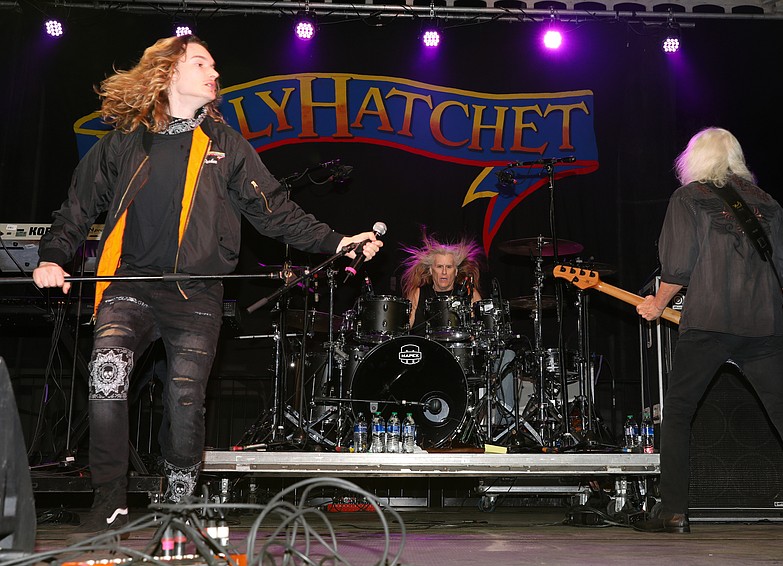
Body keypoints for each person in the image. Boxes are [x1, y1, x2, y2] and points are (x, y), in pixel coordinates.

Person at [33, 35, 382, 538]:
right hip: (128, 285)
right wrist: (51, 257)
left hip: (196, 295)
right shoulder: (126, 140)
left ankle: (179, 505)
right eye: (201, 62)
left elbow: (275, 213)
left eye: (215, 64)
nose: (213, 72)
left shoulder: (226, 145)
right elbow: (77, 207)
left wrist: (338, 240)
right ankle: (109, 502)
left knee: (184, 398)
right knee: (106, 377)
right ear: (169, 72)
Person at [635, 127, 783, 539]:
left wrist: (656, 305)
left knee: (678, 413)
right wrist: (771, 311)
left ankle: (673, 512)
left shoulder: (688, 197)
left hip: (709, 322)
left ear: (694, 160)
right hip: (763, 329)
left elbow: (677, 264)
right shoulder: (768, 202)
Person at [400, 233, 484, 335]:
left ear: (456, 271)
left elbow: (481, 331)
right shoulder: (417, 294)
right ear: (431, 270)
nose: (444, 272)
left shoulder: (470, 293)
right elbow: (403, 329)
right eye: (439, 266)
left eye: (448, 267)